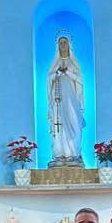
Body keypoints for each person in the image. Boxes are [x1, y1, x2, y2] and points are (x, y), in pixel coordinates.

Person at [47, 35, 85, 164]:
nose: (63, 45)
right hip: (58, 101)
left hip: (71, 100)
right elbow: (49, 79)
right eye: (60, 43)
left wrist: (67, 72)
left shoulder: (73, 63)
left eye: (65, 42)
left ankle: (74, 153)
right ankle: (60, 154)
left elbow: (80, 81)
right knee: (58, 126)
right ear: (58, 46)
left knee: (74, 123)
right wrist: (57, 73)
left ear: (69, 45)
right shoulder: (55, 63)